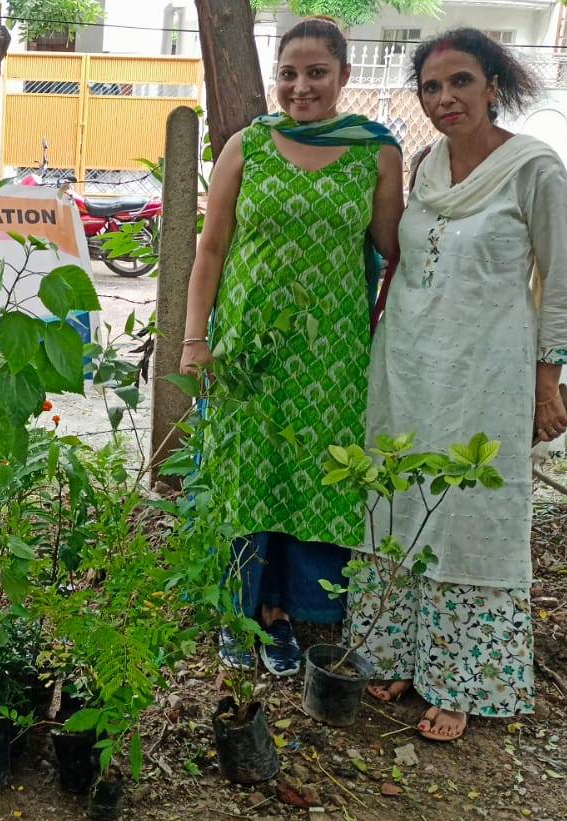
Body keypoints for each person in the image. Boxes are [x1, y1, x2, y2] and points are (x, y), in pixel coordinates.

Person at [350, 28, 567, 742]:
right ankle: (394, 652)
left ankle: (461, 679)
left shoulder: (533, 168)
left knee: (470, 509)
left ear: (492, 84)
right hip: (407, 366)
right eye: (430, 86)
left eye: (459, 82)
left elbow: (560, 284)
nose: (444, 98)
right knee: (399, 498)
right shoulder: (424, 165)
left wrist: (547, 381)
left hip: (486, 372)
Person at [180, 17, 403, 677]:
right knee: (243, 475)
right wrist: (195, 338)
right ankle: (235, 612)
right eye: (288, 73)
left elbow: (395, 250)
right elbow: (211, 249)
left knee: (311, 478)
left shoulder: (374, 152)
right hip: (245, 349)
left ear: (343, 77)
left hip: (331, 359)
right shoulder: (248, 145)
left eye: (315, 73)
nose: (299, 86)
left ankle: (285, 614)